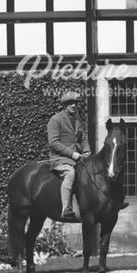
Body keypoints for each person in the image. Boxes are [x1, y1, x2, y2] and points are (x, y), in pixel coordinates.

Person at [48, 91, 90, 219]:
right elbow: (53, 143)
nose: (74, 105)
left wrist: (87, 150)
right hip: (61, 159)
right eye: (70, 103)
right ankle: (66, 208)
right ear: (64, 105)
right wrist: (72, 154)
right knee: (70, 174)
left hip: (76, 158)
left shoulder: (77, 120)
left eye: (75, 103)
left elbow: (83, 138)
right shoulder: (55, 120)